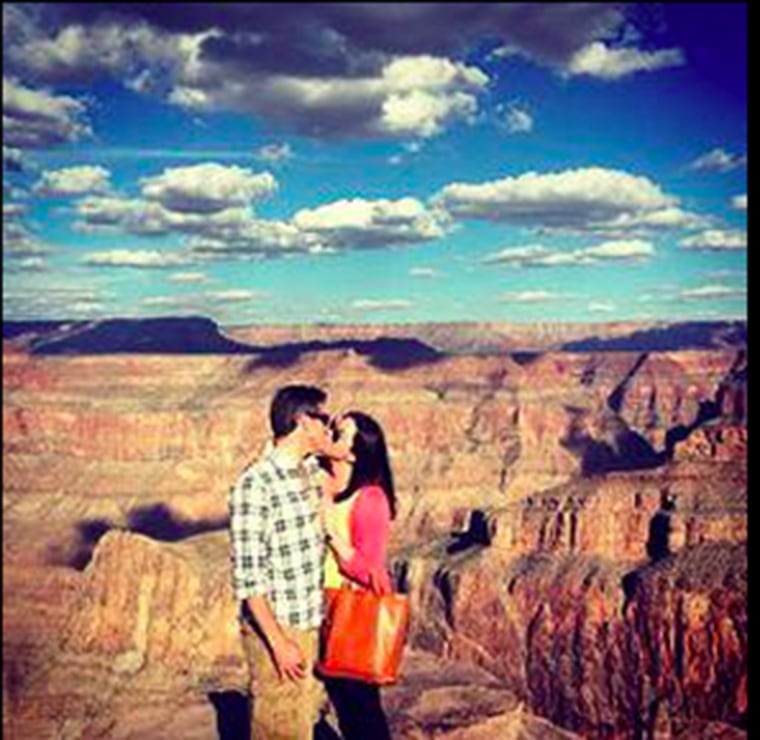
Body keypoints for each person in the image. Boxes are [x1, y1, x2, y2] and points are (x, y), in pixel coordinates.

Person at [229, 384, 337, 740]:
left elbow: (348, 462)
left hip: (309, 623)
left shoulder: (305, 470)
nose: (329, 429)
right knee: (279, 728)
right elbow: (249, 579)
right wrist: (278, 643)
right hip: (278, 629)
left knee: (301, 723)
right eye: (325, 421)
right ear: (304, 421)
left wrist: (339, 450)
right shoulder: (256, 484)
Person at [319, 411, 397, 740]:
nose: (332, 434)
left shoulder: (370, 498)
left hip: (350, 614)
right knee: (343, 705)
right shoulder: (324, 483)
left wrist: (335, 540)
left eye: (340, 433)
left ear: (354, 452)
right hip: (324, 610)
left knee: (361, 709)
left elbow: (372, 571)